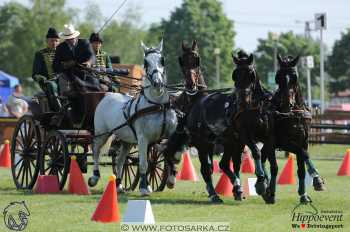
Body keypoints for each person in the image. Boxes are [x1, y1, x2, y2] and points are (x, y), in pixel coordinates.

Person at [32, 27, 61, 112]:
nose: (54, 43)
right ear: (47, 41)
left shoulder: (62, 53)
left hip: (63, 80)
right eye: (52, 40)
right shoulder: (40, 54)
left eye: (56, 41)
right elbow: (35, 74)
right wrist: (42, 79)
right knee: (52, 85)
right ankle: (57, 110)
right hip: (48, 83)